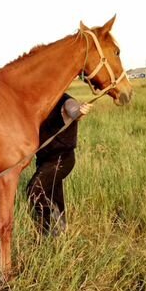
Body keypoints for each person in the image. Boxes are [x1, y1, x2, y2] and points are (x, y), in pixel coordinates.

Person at [26, 93, 92, 235]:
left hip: (62, 158)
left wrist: (80, 111)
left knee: (34, 191)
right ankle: (60, 229)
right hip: (44, 159)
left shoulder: (66, 100)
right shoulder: (39, 101)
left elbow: (73, 111)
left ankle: (53, 228)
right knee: (53, 194)